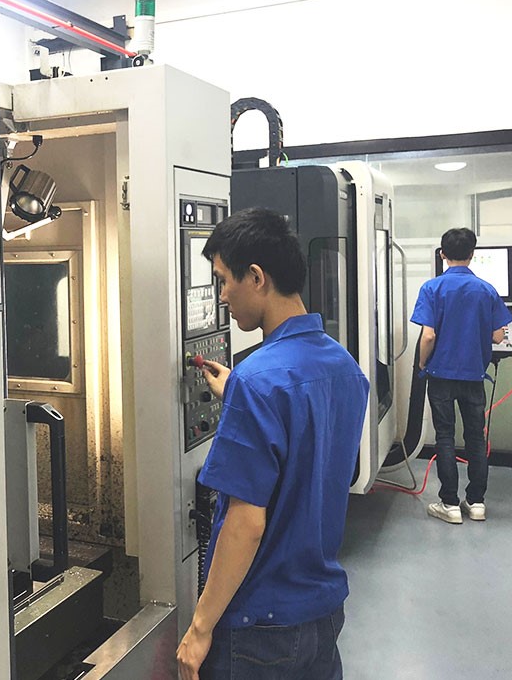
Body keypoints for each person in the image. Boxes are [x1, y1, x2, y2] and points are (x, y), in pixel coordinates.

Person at [176, 208, 369, 680]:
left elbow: (246, 524)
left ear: (257, 277)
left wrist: (200, 628)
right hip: (322, 612)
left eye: (224, 281)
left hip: (259, 629)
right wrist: (238, 392)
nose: (222, 296)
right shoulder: (345, 368)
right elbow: (314, 462)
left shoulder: (257, 383)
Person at [411, 227, 512, 524]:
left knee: (445, 436)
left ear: (443, 254)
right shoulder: (486, 290)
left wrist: (422, 363)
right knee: (475, 438)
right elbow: (498, 335)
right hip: (473, 376)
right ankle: (477, 502)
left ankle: (450, 504)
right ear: (472, 254)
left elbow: (428, 336)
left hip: (440, 375)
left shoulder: (432, 288)